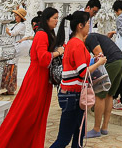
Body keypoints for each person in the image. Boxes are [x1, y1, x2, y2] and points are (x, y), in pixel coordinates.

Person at [0, 7, 63, 148]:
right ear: (47, 19)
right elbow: (42, 58)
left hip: (42, 78)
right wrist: (58, 53)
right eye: (54, 18)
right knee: (27, 114)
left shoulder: (47, 34)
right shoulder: (42, 34)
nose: (56, 21)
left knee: (36, 116)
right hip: (36, 78)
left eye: (57, 18)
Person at [49, 11, 107, 148]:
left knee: (78, 136)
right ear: (80, 26)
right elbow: (82, 72)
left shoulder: (74, 43)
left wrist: (94, 60)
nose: (89, 26)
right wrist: (99, 63)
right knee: (64, 139)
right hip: (73, 95)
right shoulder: (77, 44)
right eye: (88, 23)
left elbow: (79, 67)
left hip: (74, 94)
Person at [84, 31, 122, 138]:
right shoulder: (95, 36)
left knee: (100, 94)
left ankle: (96, 129)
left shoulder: (89, 38)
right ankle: (104, 127)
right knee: (109, 94)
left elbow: (100, 55)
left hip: (112, 62)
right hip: (121, 61)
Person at [1, 7, 31, 95]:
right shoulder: (16, 24)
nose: (15, 17)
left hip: (16, 47)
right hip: (12, 47)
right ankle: (8, 87)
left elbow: (12, 33)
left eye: (16, 16)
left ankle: (11, 88)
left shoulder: (21, 25)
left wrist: (5, 27)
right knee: (9, 66)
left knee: (12, 66)